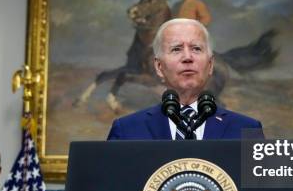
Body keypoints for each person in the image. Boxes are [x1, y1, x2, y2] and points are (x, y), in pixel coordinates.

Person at [107, 18, 262, 140]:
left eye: (196, 48)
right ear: (159, 67)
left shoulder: (247, 130)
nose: (187, 57)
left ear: (210, 65)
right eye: (176, 49)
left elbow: (259, 182)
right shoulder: (126, 131)